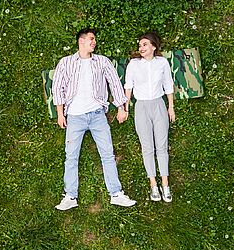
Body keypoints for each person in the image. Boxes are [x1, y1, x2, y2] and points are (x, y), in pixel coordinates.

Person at [52, 28, 136, 210]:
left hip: (98, 115)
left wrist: (121, 107)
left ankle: (116, 194)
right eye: (91, 39)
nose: (94, 42)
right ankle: (70, 197)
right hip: (74, 116)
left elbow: (114, 82)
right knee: (71, 157)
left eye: (95, 39)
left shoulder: (102, 61)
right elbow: (57, 87)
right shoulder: (66, 63)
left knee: (107, 154)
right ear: (80, 41)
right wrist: (60, 113)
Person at [124, 31, 175, 202]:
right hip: (141, 107)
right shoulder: (133, 64)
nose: (141, 47)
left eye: (145, 44)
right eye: (140, 45)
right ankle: (153, 185)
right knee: (147, 147)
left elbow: (168, 85)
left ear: (154, 46)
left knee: (162, 146)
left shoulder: (162, 63)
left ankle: (165, 185)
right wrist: (125, 108)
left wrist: (171, 108)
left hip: (159, 104)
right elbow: (128, 86)